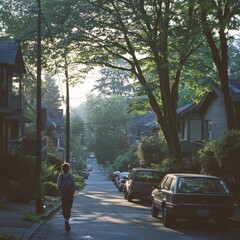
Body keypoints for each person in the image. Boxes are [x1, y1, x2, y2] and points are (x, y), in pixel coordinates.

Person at [57, 162, 76, 231]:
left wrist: (60, 192)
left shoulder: (60, 176)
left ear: (62, 169)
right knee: (69, 208)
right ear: (68, 169)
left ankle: (65, 219)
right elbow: (74, 186)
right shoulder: (71, 176)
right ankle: (67, 220)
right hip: (70, 195)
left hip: (63, 195)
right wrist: (73, 192)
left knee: (64, 208)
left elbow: (58, 186)